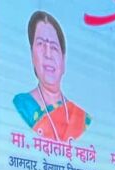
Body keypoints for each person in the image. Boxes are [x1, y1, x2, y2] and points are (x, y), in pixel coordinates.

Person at [12, 11, 88, 142]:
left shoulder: (82, 119)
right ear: (32, 54)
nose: (48, 54)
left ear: (63, 60)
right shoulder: (21, 105)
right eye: (41, 44)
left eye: (54, 47)